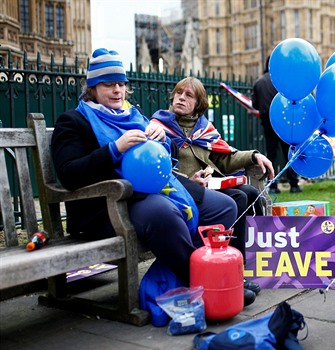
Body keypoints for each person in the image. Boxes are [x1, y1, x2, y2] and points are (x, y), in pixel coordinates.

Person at [51, 48, 256, 306]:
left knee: (224, 206)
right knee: (164, 213)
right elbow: (69, 174)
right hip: (110, 206)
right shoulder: (73, 121)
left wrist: (164, 142)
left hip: (155, 190)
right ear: (92, 88)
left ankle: (192, 269)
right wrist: (115, 149)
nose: (117, 90)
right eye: (108, 84)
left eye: (121, 84)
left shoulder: (134, 117)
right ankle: (206, 282)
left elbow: (162, 160)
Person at [150, 77, 273, 295]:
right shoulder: (159, 126)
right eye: (179, 93)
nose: (181, 97)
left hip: (209, 185)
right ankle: (228, 270)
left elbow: (224, 159)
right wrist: (190, 181)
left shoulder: (203, 129)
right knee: (239, 198)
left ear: (198, 104)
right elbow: (159, 167)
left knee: (250, 192)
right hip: (182, 190)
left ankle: (239, 267)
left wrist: (254, 156)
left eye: (188, 95)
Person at [252, 56, 302, 194]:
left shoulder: (259, 82)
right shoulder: (281, 81)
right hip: (284, 122)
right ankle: (294, 184)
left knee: (271, 154)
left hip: (267, 122)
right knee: (288, 153)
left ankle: (272, 185)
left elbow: (254, 104)